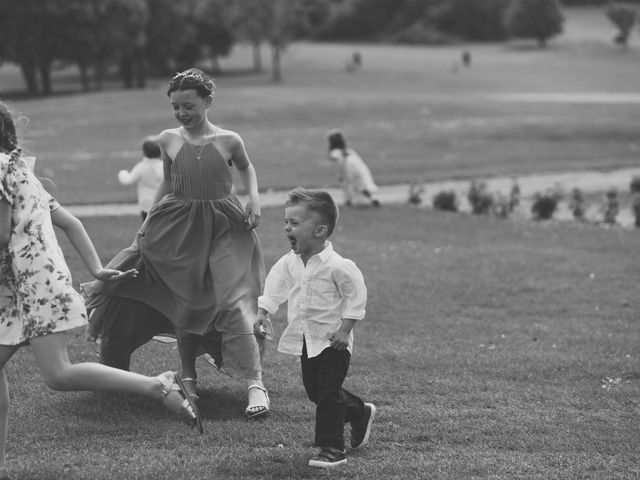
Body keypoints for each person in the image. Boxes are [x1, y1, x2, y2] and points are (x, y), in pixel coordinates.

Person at [0, 102, 201, 479]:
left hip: (32, 287)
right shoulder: (20, 170)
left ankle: (157, 385)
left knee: (58, 374)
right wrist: (97, 269)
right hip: (26, 287)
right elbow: (71, 223)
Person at [82, 68, 269, 419]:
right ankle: (187, 376)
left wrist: (254, 199)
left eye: (189, 106)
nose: (182, 113)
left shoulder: (229, 139)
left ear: (208, 101)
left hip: (225, 225)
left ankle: (255, 381)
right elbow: (168, 184)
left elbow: (247, 169)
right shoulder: (168, 139)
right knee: (185, 300)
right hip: (179, 226)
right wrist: (149, 223)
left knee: (232, 300)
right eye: (176, 107)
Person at [254, 188, 376, 468]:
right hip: (308, 340)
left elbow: (356, 297)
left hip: (334, 341)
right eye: (286, 222)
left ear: (320, 230)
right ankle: (359, 413)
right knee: (316, 392)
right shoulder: (291, 262)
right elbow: (275, 285)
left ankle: (332, 449)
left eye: (294, 223)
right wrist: (263, 312)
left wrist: (345, 330)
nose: (287, 228)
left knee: (329, 393)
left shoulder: (339, 267)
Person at [326, 130, 380, 208]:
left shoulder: (336, 151)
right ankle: (372, 198)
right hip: (358, 165)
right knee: (361, 184)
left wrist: (342, 174)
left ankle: (348, 201)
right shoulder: (348, 150)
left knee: (349, 184)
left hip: (349, 168)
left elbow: (334, 157)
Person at [117, 136, 164, 221]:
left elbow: (127, 180)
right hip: (161, 203)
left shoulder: (141, 167)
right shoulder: (163, 167)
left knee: (147, 229)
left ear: (144, 152)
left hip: (146, 205)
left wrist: (123, 173)